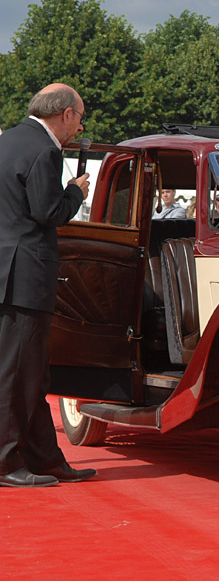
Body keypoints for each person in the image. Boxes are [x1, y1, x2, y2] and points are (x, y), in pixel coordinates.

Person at [0, 83, 97, 487]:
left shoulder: (8, 140)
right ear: (65, 114)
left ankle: (44, 457)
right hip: (25, 274)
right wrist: (75, 192)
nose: (78, 128)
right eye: (80, 118)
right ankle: (6, 463)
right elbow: (49, 212)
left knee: (30, 372)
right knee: (18, 373)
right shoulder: (46, 151)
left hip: (9, 270)